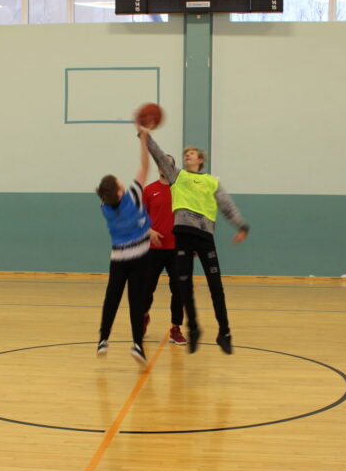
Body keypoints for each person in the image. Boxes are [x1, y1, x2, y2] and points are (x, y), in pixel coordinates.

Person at [144, 133, 250, 354]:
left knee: (216, 287)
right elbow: (159, 156)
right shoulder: (177, 176)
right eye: (185, 154)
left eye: (191, 153)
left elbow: (227, 206)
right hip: (183, 236)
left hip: (204, 237)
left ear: (200, 159)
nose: (187, 155)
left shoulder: (212, 181)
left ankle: (224, 332)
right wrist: (146, 137)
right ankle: (192, 329)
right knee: (184, 287)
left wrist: (241, 225)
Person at [95, 126, 154, 365]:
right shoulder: (134, 197)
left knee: (112, 298)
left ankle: (103, 339)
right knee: (136, 302)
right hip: (139, 257)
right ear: (120, 191)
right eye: (120, 183)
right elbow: (144, 167)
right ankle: (138, 345)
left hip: (118, 258)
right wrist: (143, 139)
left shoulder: (105, 208)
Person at [142, 170, 185, 346]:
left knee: (179, 290)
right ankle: (143, 316)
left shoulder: (182, 189)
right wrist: (149, 231)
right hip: (153, 249)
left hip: (177, 249)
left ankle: (176, 328)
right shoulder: (149, 190)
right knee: (146, 289)